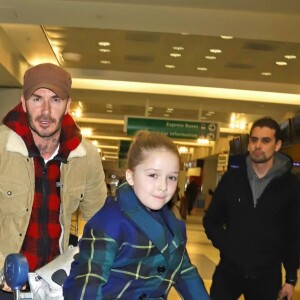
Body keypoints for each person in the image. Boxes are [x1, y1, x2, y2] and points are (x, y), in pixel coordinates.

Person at [0, 63, 107, 299]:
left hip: (54, 285)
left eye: (56, 100)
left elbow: (98, 222)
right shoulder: (2, 147)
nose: (46, 111)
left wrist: (84, 266)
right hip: (4, 282)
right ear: (23, 100)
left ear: (68, 105)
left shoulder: (85, 156)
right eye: (37, 99)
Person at [63, 130, 210, 299]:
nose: (163, 186)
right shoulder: (110, 223)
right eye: (153, 175)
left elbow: (185, 273)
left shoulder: (173, 227)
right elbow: (88, 282)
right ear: (130, 176)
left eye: (171, 178)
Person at [203, 117, 300, 300]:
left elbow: (293, 233)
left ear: (277, 145)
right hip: (228, 273)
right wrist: (227, 245)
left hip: (266, 276)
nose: (258, 145)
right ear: (249, 144)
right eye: (254, 140)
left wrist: (291, 278)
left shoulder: (290, 185)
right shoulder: (232, 180)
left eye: (265, 141)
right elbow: (211, 220)